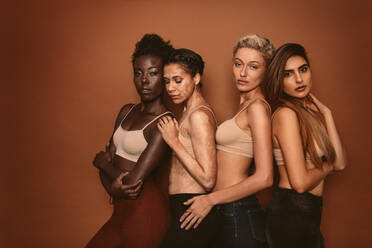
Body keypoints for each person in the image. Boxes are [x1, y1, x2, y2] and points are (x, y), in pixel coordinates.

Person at [178, 34, 275, 248]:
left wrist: (210, 199)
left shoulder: (257, 108)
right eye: (238, 64)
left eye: (253, 67)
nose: (242, 73)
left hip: (239, 212)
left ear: (266, 71)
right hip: (226, 209)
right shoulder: (244, 106)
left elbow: (265, 177)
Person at [87, 33, 174, 248]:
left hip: (146, 213)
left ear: (164, 76)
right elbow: (113, 167)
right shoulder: (126, 111)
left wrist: (103, 163)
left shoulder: (164, 123)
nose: (144, 80)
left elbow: (133, 183)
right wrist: (114, 190)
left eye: (153, 73)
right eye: (138, 73)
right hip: (121, 210)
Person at [263, 43, 347, 248]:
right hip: (291, 212)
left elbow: (341, 163)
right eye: (288, 74)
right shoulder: (286, 115)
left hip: (308, 213)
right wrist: (328, 165)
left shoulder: (307, 114)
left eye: (303, 69)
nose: (299, 79)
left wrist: (327, 115)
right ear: (278, 81)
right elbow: (300, 183)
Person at [157, 48, 219, 248]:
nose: (170, 88)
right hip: (183, 207)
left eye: (178, 80)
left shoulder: (198, 116)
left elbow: (208, 179)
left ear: (196, 78)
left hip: (194, 209)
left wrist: (173, 142)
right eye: (166, 81)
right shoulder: (188, 112)